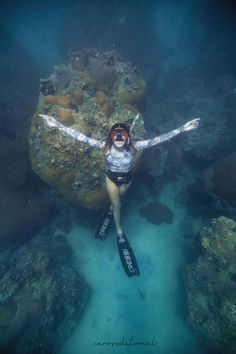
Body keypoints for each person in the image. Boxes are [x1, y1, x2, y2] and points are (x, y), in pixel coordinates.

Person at [40, 114, 200, 243]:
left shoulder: (135, 146)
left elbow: (159, 139)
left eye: (122, 134)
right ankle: (119, 230)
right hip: (111, 179)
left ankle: (113, 205)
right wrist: (58, 125)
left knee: (119, 197)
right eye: (115, 135)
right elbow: (80, 137)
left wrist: (182, 129)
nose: (118, 138)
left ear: (127, 136)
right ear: (110, 136)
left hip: (127, 179)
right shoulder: (105, 146)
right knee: (118, 205)